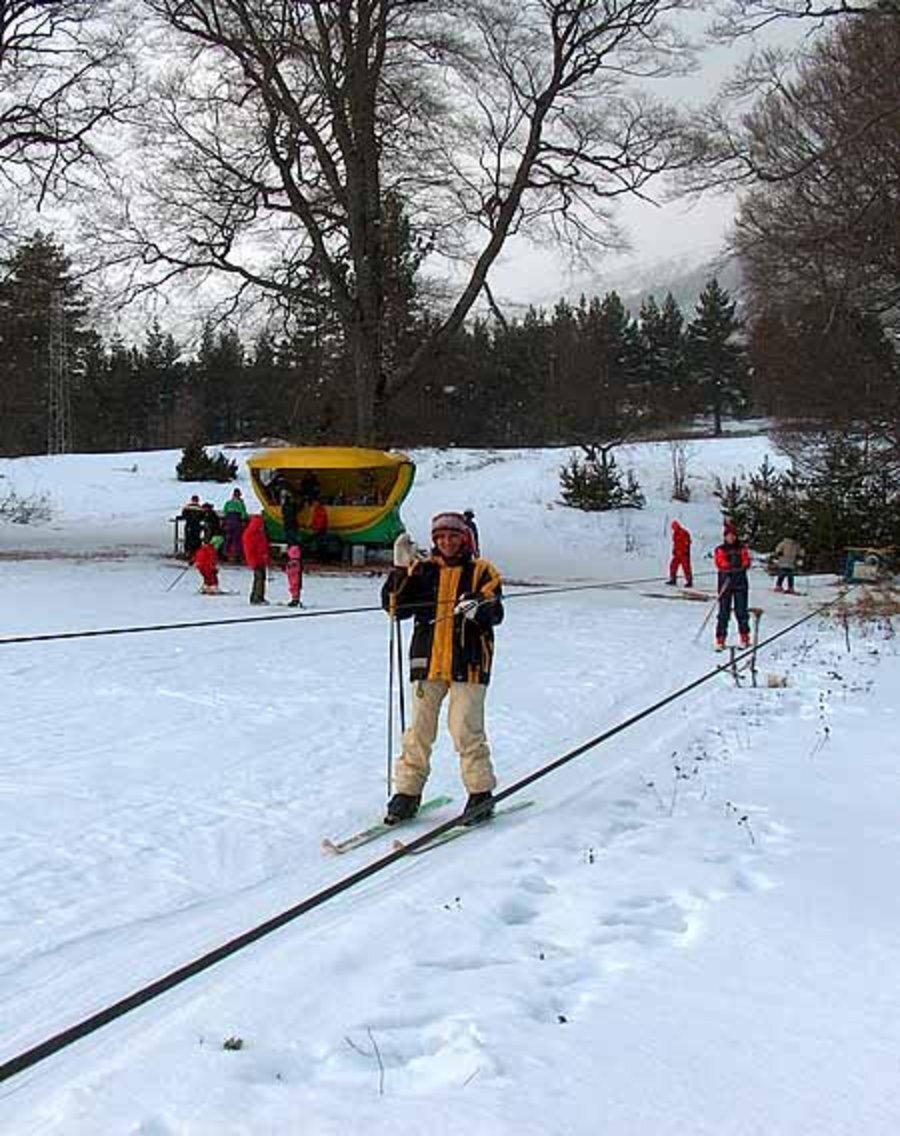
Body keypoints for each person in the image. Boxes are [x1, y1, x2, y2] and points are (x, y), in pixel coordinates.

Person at [380, 510, 504, 827]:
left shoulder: (482, 571)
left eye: (453, 536)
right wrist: (399, 569)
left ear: (465, 538)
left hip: (469, 663)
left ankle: (480, 793)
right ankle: (407, 793)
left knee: (465, 729)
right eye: (441, 537)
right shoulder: (422, 570)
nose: (447, 542)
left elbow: (496, 611)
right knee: (418, 731)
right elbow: (395, 607)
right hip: (428, 661)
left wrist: (478, 607)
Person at [714, 522, 752, 651]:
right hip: (725, 583)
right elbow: (720, 562)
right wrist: (730, 567)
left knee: (741, 611)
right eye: (728, 536)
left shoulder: (742, 548)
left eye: (733, 536)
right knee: (723, 613)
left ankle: (745, 638)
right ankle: (720, 639)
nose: (730, 538)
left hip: (740, 583)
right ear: (725, 537)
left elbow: (746, 561)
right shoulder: (720, 549)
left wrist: (740, 567)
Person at [242, 512, 271, 605]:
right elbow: (250, 550)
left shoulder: (256, 533)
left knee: (260, 579)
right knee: (259, 579)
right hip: (257, 560)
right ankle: (257, 598)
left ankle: (257, 596)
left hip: (260, 560)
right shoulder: (253, 534)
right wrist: (254, 561)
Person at [222, 488, 248, 563]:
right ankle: (236, 554)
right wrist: (243, 520)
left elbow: (225, 512)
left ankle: (226, 553)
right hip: (237, 521)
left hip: (229, 521)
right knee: (236, 539)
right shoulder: (240, 503)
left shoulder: (228, 502)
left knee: (228, 538)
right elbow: (243, 513)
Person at [667, 520, 693, 588]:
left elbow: (688, 542)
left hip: (684, 554)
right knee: (673, 566)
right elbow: (675, 544)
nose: (673, 529)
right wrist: (674, 550)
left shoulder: (684, 532)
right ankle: (673, 579)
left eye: (674, 527)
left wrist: (685, 551)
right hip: (677, 554)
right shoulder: (675, 534)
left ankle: (689, 581)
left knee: (686, 568)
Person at [181, 494, 204, 561]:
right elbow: (202, 517)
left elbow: (183, 515)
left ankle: (188, 552)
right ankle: (195, 552)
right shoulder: (200, 508)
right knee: (195, 539)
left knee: (188, 539)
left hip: (189, 525)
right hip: (196, 526)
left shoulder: (187, 507)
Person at [280, 483, 300, 547]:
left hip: (287, 525)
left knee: (290, 541)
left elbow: (283, 512)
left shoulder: (285, 507)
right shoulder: (293, 506)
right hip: (292, 525)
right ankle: (294, 553)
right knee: (293, 541)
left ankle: (291, 553)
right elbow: (298, 509)